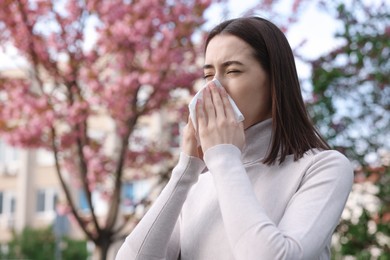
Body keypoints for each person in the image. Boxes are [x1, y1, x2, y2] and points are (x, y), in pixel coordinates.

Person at [115, 16, 353, 260]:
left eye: (232, 71)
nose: (214, 88)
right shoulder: (201, 183)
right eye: (208, 75)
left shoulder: (322, 167)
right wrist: (186, 171)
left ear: (274, 80)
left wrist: (224, 157)